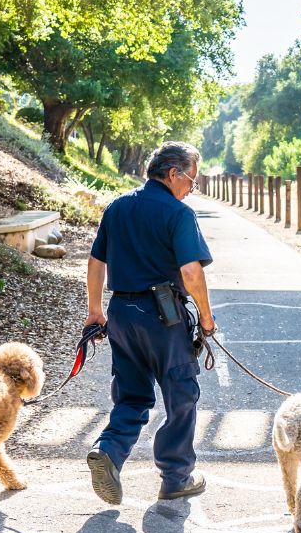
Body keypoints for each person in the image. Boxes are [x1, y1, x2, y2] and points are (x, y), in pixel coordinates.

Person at [84, 141, 216, 504]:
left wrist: (96, 311)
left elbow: (96, 263)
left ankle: (108, 450)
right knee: (181, 393)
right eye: (192, 179)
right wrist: (206, 318)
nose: (192, 188)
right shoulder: (178, 214)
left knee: (131, 394)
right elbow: (190, 271)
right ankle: (176, 478)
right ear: (173, 173)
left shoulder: (117, 207)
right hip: (163, 317)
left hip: (121, 315)